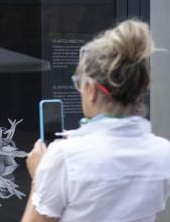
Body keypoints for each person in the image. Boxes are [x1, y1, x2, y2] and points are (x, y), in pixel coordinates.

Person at [21, 19, 170, 222]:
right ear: (139, 93)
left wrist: (39, 179)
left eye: (79, 84)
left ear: (91, 90)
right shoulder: (163, 153)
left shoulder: (64, 157)